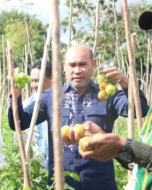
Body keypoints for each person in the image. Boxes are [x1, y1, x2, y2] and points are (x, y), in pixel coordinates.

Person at [8, 43, 149, 189]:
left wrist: (126, 84)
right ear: (64, 66)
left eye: (82, 64)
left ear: (93, 64)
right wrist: (15, 96)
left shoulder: (108, 95)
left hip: (100, 182)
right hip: (61, 183)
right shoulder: (50, 97)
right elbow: (19, 123)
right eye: (72, 65)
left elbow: (141, 110)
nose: (77, 70)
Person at [79, 10, 152, 190]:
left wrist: (121, 145)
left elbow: (138, 110)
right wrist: (112, 144)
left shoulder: (110, 96)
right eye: (151, 35)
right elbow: (145, 159)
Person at [23, 60, 52, 167]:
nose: (34, 85)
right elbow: (20, 142)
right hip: (35, 168)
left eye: (38, 81)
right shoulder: (26, 106)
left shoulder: (63, 104)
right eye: (32, 81)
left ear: (51, 79)